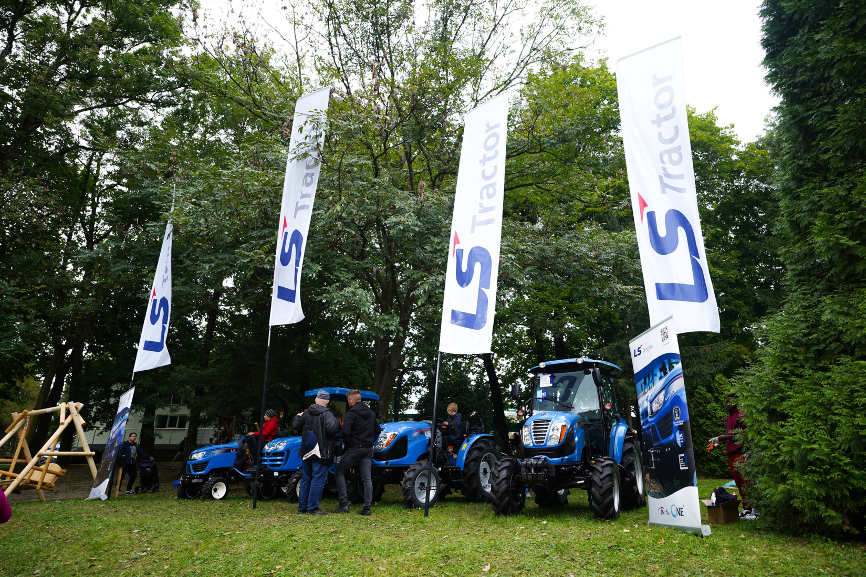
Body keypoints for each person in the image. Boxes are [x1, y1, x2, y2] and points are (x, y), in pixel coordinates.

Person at [333, 389, 381, 516]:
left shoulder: (351, 413)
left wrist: (349, 445)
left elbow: (346, 432)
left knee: (339, 472)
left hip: (355, 448)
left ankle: (343, 504)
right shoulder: (371, 413)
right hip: (368, 448)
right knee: (367, 478)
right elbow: (377, 430)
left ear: (351, 400)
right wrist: (370, 441)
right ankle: (367, 508)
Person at [292, 391, 340, 515]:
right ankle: (312, 508)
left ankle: (302, 508)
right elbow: (332, 429)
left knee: (306, 479)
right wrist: (337, 422)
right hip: (321, 451)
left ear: (316, 400)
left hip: (307, 450)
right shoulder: (327, 413)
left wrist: (298, 416)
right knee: (318, 480)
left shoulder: (306, 413)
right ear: (327, 401)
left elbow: (295, 425)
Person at [710, 393, 755, 518]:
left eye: (731, 402)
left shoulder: (741, 416)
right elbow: (731, 436)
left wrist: (724, 437)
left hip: (741, 452)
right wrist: (719, 441)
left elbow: (743, 435)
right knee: (739, 483)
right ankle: (747, 508)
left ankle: (755, 509)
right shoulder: (729, 418)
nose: (728, 404)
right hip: (731, 453)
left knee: (747, 482)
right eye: (727, 402)